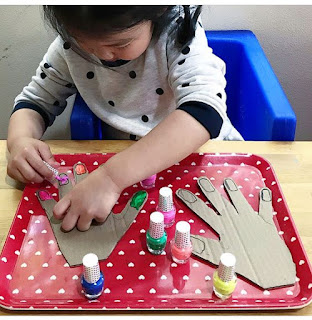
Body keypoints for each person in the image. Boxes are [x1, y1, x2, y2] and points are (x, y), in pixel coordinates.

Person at [7, 5, 243, 232]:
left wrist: (111, 178)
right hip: (130, 176)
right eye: (87, 45)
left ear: (159, 10)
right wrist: (20, 140)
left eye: (121, 43)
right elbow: (36, 100)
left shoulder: (178, 33)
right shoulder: (71, 45)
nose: (103, 55)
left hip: (204, 163)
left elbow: (205, 113)